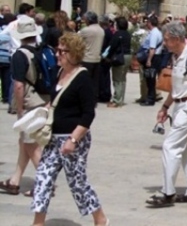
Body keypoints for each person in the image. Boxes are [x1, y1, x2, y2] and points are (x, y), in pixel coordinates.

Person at [30, 32, 109, 226]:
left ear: (74, 54)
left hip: (73, 138)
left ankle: (100, 219)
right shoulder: (60, 73)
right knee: (42, 179)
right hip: (52, 138)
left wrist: (73, 140)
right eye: (58, 50)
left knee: (77, 183)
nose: (58, 54)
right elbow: (56, 103)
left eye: (62, 51)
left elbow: (88, 114)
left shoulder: (82, 79)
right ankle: (37, 223)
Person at [146, 21, 187, 207]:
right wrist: (165, 107)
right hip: (180, 105)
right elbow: (177, 87)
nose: (165, 43)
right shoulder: (176, 57)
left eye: (167, 40)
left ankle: (168, 192)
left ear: (176, 39)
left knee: (170, 146)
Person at [0, 16, 48, 196]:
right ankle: (15, 180)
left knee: (32, 146)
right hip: (41, 99)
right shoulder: (39, 51)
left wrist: (19, 109)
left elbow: (19, 85)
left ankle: (44, 185)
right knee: (24, 143)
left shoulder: (20, 54)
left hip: (29, 103)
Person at [78, 11, 104, 104]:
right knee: (94, 82)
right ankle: (93, 99)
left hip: (86, 58)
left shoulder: (86, 30)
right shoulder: (101, 30)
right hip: (97, 58)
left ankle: (85, 99)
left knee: (85, 81)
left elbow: (76, 40)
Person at [107, 17, 132, 108]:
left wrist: (108, 57)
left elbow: (112, 46)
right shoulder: (128, 34)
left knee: (117, 79)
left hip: (119, 57)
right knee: (123, 79)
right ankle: (121, 98)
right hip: (128, 56)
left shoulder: (117, 34)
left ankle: (116, 100)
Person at [140, 16, 162, 106]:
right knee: (150, 79)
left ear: (150, 23)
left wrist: (149, 60)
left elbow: (152, 48)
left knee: (150, 79)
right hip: (155, 57)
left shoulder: (154, 33)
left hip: (153, 57)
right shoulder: (156, 32)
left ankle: (150, 99)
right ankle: (151, 97)